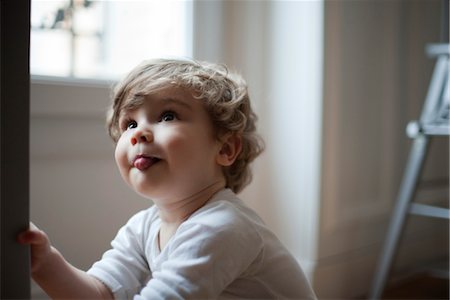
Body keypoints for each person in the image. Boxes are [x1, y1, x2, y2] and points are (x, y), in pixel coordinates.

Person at [18, 58, 316, 299]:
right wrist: (46, 264)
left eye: (168, 116)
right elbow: (101, 293)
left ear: (225, 148)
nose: (139, 133)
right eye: (130, 123)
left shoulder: (223, 228)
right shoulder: (142, 228)